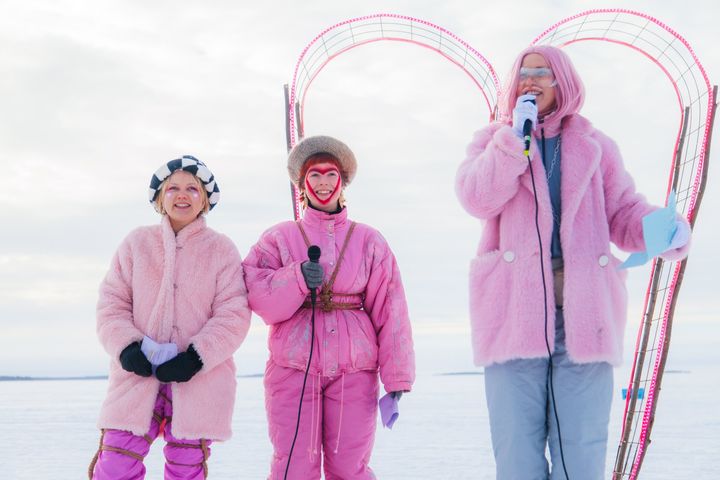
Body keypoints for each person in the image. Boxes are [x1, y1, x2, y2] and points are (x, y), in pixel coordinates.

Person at [455, 45, 691, 480]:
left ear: (563, 82)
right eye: (523, 72)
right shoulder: (494, 141)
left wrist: (662, 229)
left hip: (585, 317)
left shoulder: (596, 146)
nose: (530, 80)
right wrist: (513, 142)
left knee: (581, 452)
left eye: (542, 72)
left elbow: (623, 212)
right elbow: (475, 197)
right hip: (512, 316)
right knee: (515, 454)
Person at [243, 135, 415, 479]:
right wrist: (295, 279)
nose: (323, 183)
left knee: (350, 467)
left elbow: (391, 309)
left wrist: (396, 376)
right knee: (292, 465)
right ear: (302, 184)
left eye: (331, 174)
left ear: (342, 181)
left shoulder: (369, 240)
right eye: (315, 175)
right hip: (292, 368)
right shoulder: (279, 237)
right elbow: (256, 294)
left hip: (355, 371)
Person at [89, 155, 251, 479]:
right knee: (115, 464)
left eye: (192, 188)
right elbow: (111, 305)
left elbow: (233, 315)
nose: (182, 195)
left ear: (204, 199)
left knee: (186, 469)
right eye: (173, 187)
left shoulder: (222, 250)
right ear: (160, 197)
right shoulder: (136, 244)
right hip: (137, 380)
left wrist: (196, 357)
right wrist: (126, 348)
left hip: (198, 385)